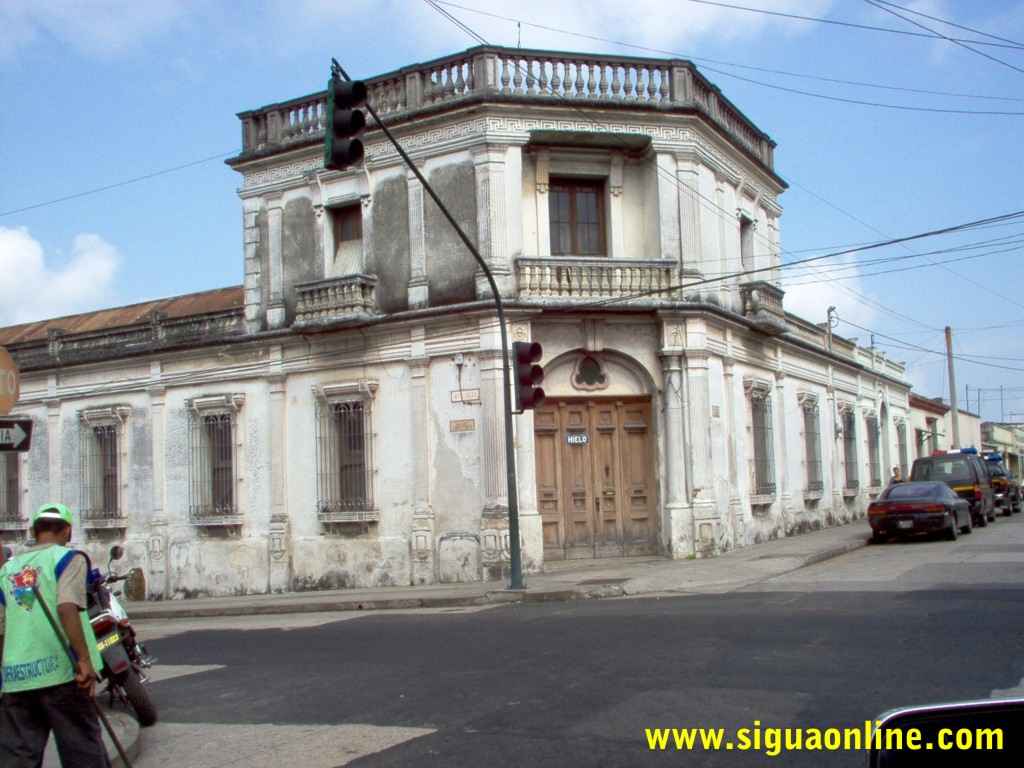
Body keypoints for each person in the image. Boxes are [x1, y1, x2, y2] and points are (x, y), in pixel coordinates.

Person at [0, 503, 109, 767]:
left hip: (16, 678)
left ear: (34, 530)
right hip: (63, 674)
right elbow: (66, 607)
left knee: (19, 760)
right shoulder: (68, 558)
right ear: (68, 530)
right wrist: (83, 660)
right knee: (83, 754)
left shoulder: (6, 571)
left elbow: (2, 628)